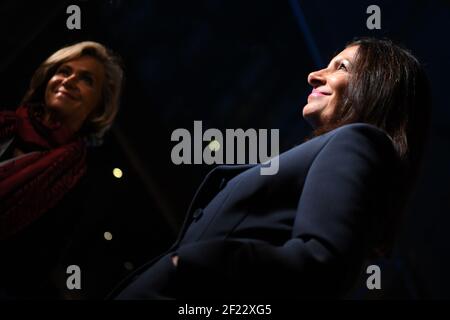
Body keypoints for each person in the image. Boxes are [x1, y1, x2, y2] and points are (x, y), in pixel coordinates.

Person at [113, 37, 431, 299]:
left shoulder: (357, 141)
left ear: (376, 87)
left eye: (341, 67)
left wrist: (188, 265)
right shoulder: (335, 150)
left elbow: (319, 265)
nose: (315, 75)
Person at [0, 41, 124, 299]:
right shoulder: (4, 123)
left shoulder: (77, 185)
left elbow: (29, 275)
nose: (69, 80)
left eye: (86, 80)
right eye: (64, 71)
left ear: (98, 108)